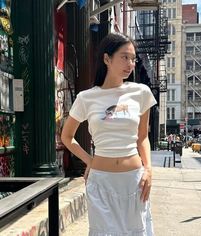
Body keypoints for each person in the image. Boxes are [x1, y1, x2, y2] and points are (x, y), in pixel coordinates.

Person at [61, 33, 157, 235]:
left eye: (133, 59)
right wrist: (89, 160)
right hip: (101, 182)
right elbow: (66, 137)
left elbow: (142, 138)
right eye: (124, 57)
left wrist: (148, 169)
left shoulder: (141, 93)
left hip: (134, 180)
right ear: (107, 59)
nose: (130, 64)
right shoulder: (87, 98)